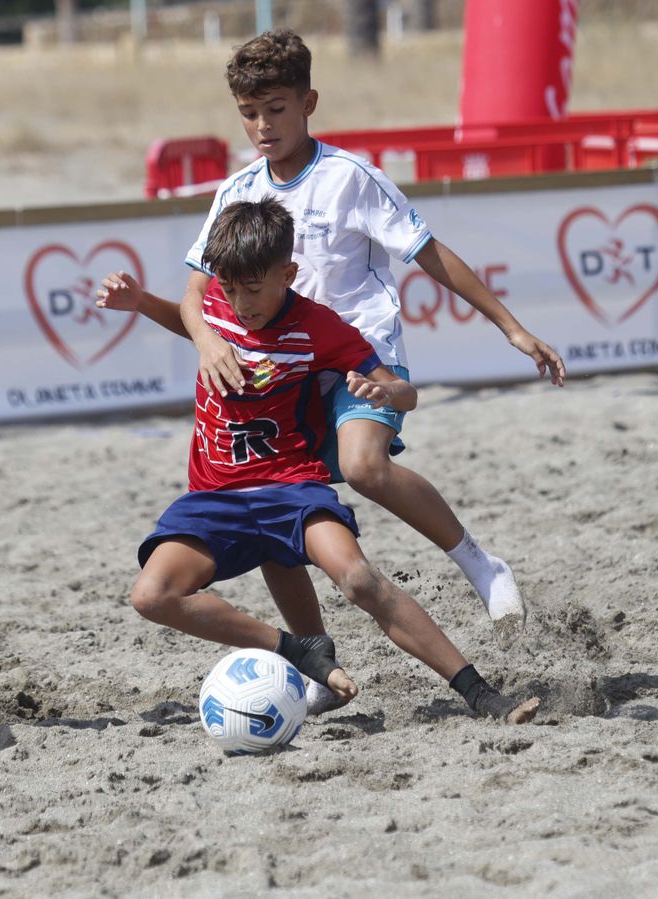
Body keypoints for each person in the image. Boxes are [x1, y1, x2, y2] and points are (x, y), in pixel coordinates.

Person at [175, 29, 567, 645]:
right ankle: (313, 652)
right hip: (282, 370)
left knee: (363, 466)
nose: (261, 126)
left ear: (309, 103)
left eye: (275, 109)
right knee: (275, 497)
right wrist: (206, 341)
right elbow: (193, 294)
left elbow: (429, 253)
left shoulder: (352, 177)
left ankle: (480, 565)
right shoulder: (237, 192)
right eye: (248, 114)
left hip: (361, 354)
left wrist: (512, 328)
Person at [129, 198, 540, 726]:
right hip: (215, 496)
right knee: (151, 596)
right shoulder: (214, 303)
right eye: (230, 288)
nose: (240, 302)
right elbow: (190, 318)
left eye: (253, 289)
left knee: (359, 580)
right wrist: (140, 300)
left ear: (288, 273)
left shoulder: (319, 327)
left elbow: (405, 393)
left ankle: (482, 695)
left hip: (290, 488)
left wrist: (383, 391)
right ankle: (296, 649)